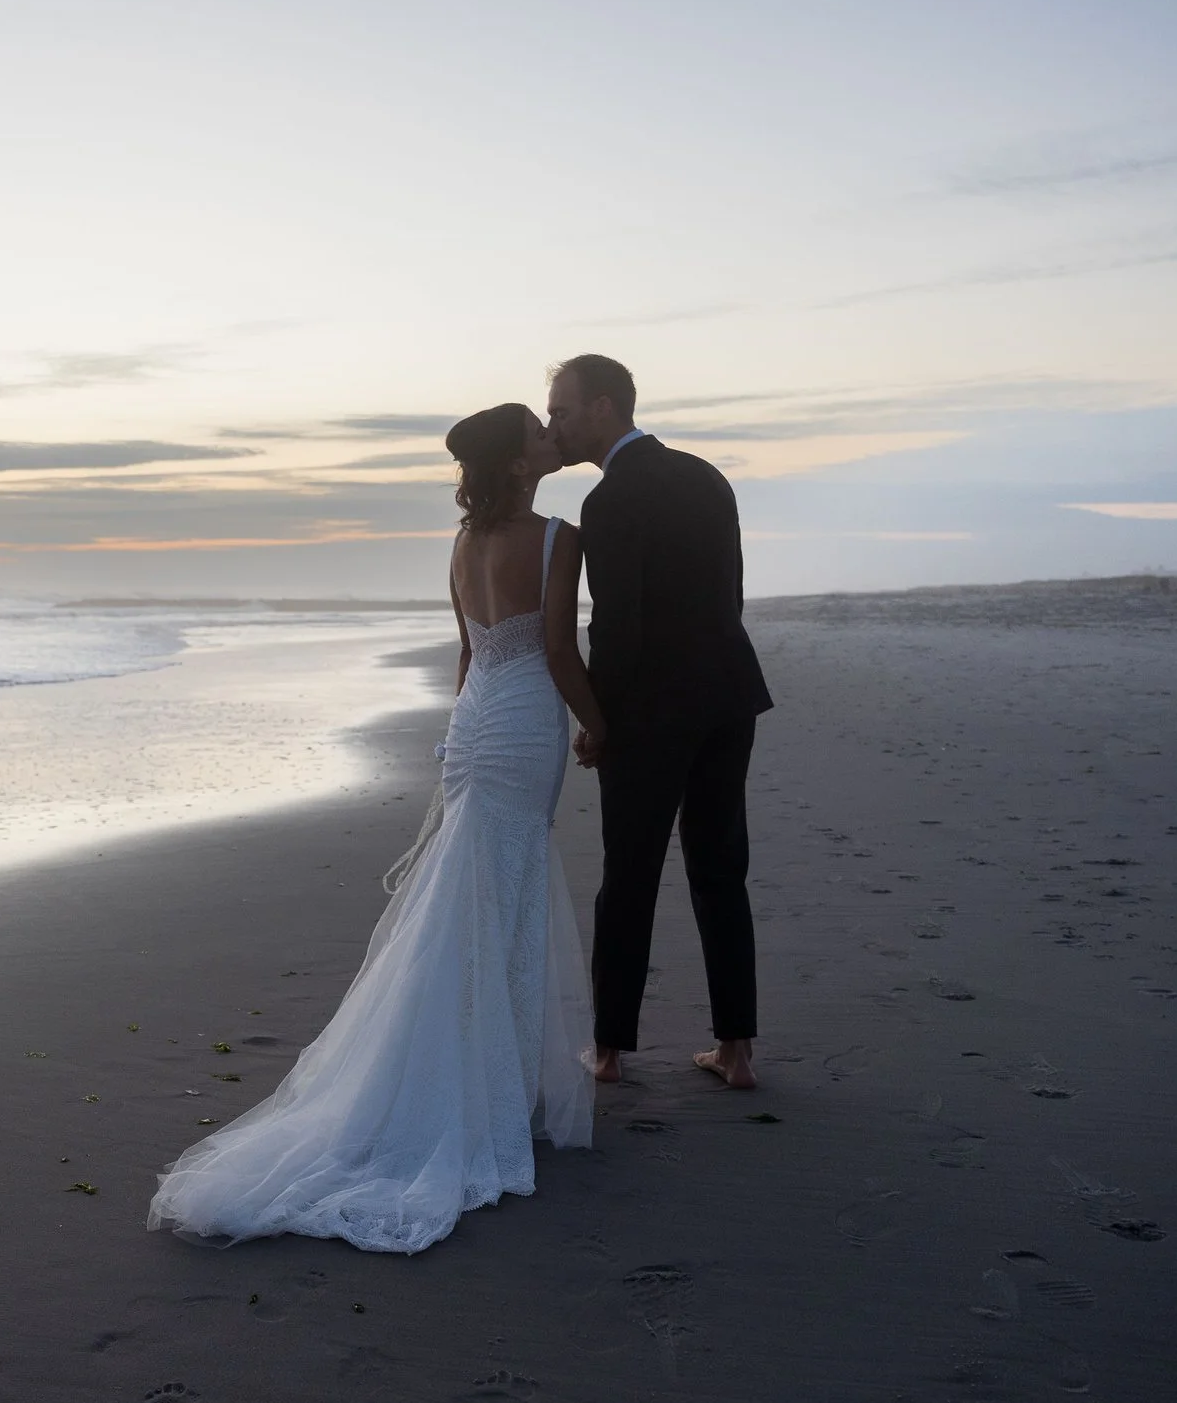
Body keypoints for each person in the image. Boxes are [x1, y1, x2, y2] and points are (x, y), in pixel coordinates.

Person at [145, 404, 599, 1254]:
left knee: (466, 896)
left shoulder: (462, 547)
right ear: (515, 462)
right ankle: (477, 1091)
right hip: (526, 721)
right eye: (537, 431)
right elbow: (563, 653)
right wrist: (599, 725)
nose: (550, 436)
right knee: (503, 890)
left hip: (476, 725)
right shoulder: (556, 537)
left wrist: (475, 721)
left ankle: (475, 1072)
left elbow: (470, 653)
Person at [543, 354, 773, 1090]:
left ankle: (610, 1051)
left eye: (562, 411)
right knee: (719, 867)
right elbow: (730, 594)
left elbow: (617, 628)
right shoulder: (707, 475)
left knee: (631, 872)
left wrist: (598, 719)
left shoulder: (609, 505)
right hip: (729, 695)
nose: (556, 424)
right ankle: (736, 1050)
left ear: (603, 408)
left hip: (651, 710)